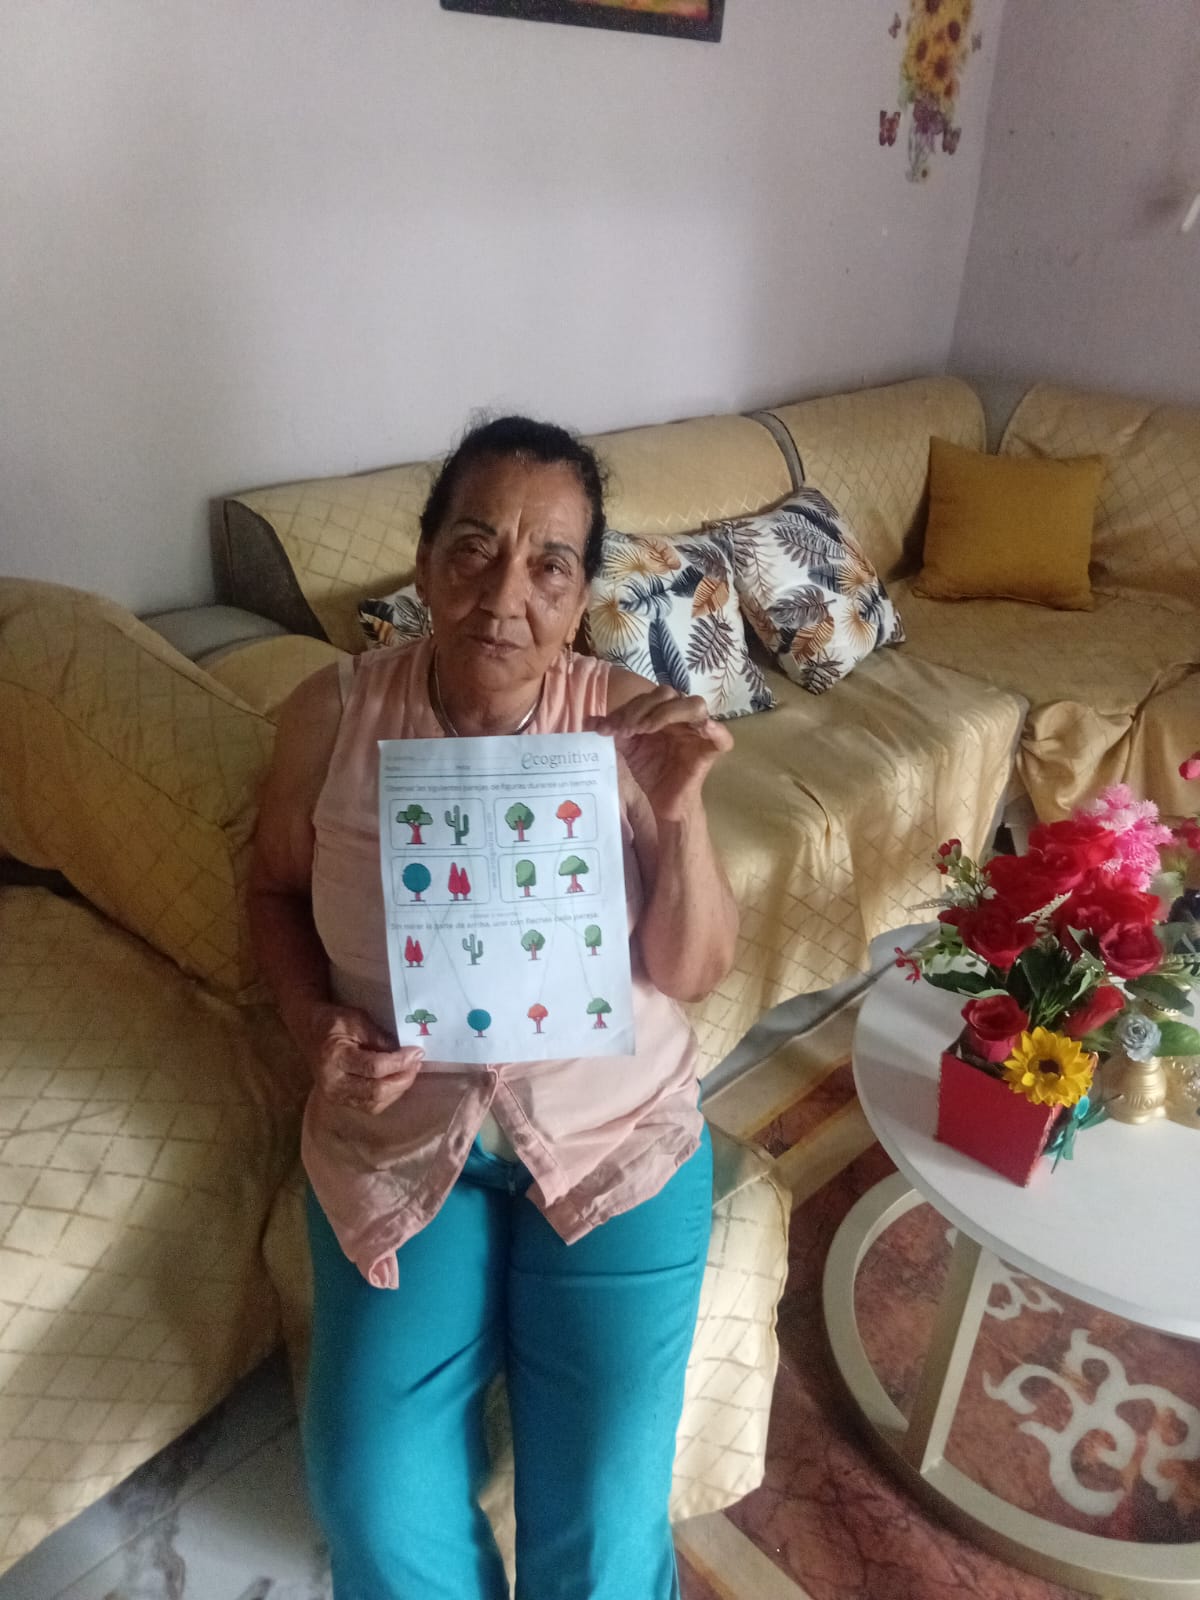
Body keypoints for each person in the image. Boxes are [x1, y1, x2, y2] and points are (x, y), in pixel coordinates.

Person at [248, 416, 738, 1600]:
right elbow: (268, 891)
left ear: (579, 597)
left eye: (550, 564)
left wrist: (679, 815)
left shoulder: (626, 721)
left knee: (608, 1516)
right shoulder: (332, 714)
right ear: (424, 564)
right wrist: (313, 1025)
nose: (505, 594)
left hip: (613, 1133)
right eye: (474, 548)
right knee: (370, 1488)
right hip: (404, 1135)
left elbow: (693, 971)